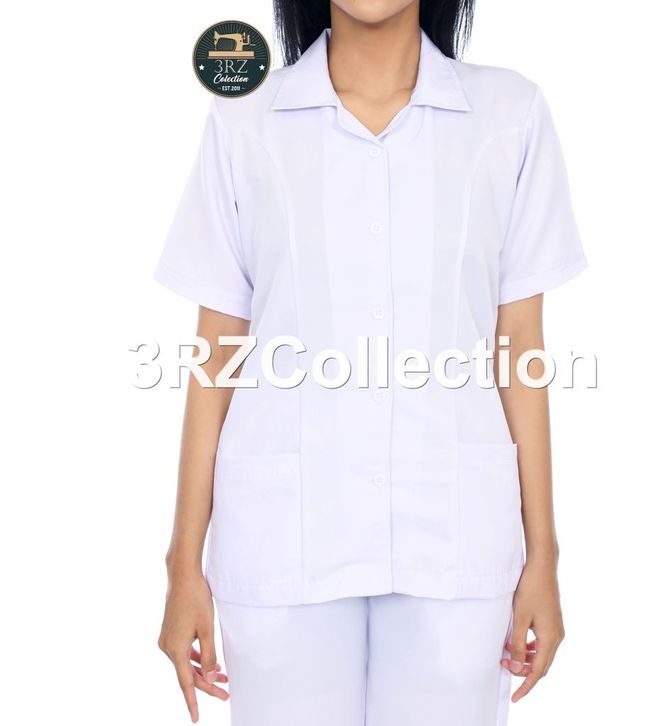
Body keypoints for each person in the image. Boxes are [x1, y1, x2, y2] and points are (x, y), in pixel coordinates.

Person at [154, 1, 588, 724]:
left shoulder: (508, 116)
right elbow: (215, 355)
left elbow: (520, 349)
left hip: (452, 538)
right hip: (285, 540)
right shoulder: (245, 121)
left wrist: (544, 554)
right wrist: (182, 565)